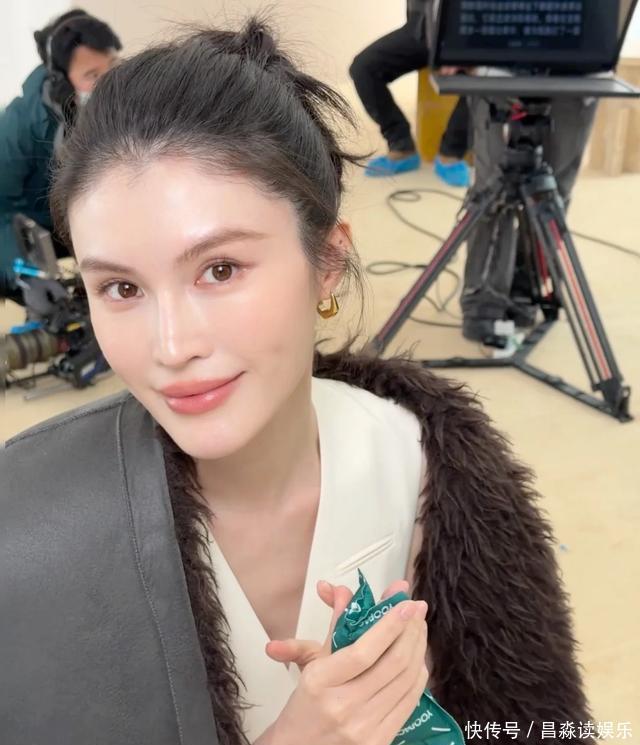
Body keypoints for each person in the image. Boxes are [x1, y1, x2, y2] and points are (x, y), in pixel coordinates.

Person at [1, 18, 595, 745]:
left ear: (328, 263)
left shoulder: (429, 466)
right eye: (121, 288)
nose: (172, 347)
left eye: (220, 269)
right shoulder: (33, 534)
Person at [0, 8, 121, 301]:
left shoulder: (121, 110)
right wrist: (25, 275)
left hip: (85, 221)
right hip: (27, 239)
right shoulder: (18, 126)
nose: (108, 82)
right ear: (61, 82)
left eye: (113, 67)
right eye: (92, 75)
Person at [460, 94, 598, 341]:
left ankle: (525, 287)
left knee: (550, 189)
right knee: (492, 186)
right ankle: (483, 298)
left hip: (575, 84)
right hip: (496, 82)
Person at [349, 0, 470, 185]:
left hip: (468, 31)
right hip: (421, 28)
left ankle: (452, 153)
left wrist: (459, 45)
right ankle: (401, 144)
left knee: (481, 77)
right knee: (363, 68)